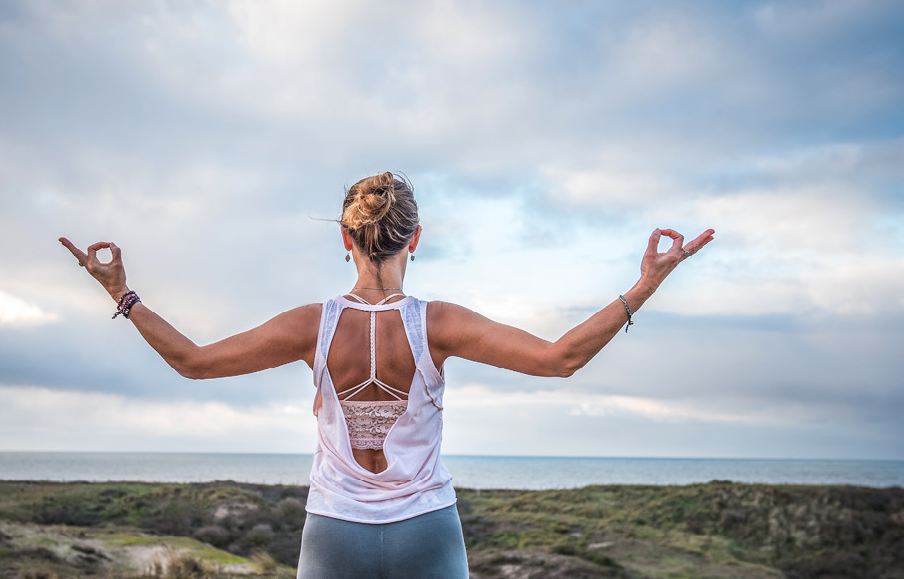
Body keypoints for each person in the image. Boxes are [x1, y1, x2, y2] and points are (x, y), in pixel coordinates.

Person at [59, 171, 714, 579]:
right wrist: (643, 284)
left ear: (345, 239)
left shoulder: (309, 324)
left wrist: (123, 292)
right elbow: (559, 357)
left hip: (333, 534)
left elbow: (192, 362)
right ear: (416, 237)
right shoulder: (439, 323)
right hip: (426, 530)